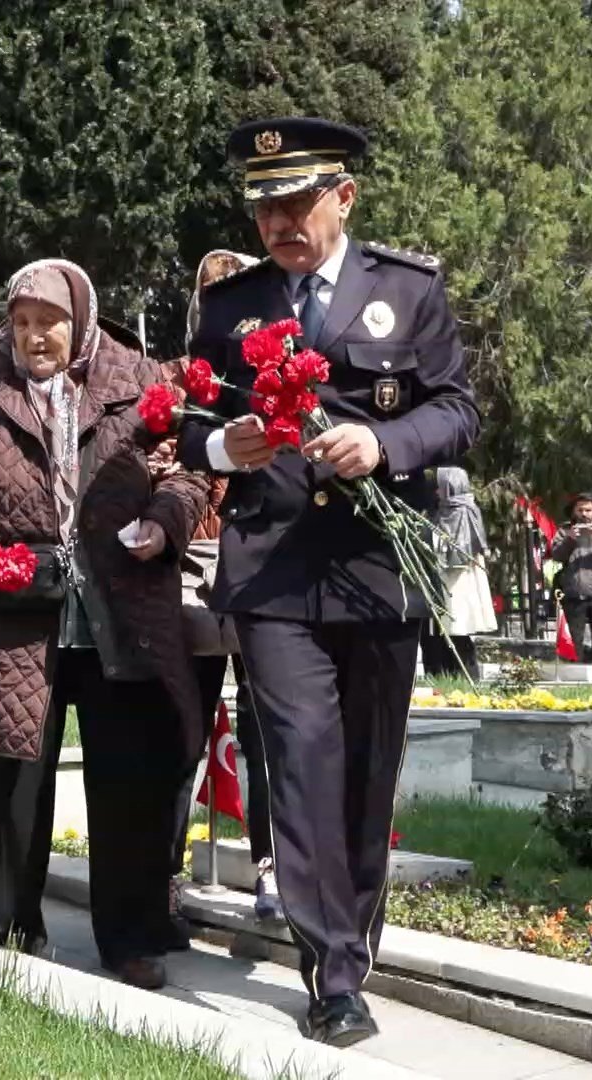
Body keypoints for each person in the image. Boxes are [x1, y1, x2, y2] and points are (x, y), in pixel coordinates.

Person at [176, 118, 478, 1043]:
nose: (279, 220)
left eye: (296, 200)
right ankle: (332, 974)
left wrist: (384, 445)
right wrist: (228, 444)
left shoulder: (408, 290)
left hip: (375, 573)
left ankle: (356, 935)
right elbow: (189, 427)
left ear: (343, 197)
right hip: (270, 574)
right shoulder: (231, 308)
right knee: (303, 764)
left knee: (366, 771)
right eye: (263, 204)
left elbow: (458, 412)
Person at [0, 258, 209, 990]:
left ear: (82, 322)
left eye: (51, 323)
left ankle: (130, 936)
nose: (35, 338)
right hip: (14, 602)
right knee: (10, 770)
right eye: (22, 323)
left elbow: (190, 472)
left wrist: (167, 524)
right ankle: (10, 923)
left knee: (127, 774)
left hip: (121, 597)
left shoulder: (137, 380)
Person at [159, 248, 280, 925]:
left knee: (264, 728)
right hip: (192, 557)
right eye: (210, 294)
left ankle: (271, 869)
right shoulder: (181, 378)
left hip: (258, 560)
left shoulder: (274, 377)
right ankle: (166, 872)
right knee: (185, 727)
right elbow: (163, 454)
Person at [422, 465, 495, 681]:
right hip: (439, 577)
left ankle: (465, 676)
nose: (436, 491)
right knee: (436, 631)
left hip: (458, 578)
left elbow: (462, 547)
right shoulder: (439, 511)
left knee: (457, 628)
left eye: (440, 486)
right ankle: (438, 675)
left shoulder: (464, 511)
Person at [551, 494, 592, 664]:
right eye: (580, 510)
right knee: (574, 641)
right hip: (574, 594)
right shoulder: (565, 531)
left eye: (588, 510)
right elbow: (556, 555)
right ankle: (576, 675)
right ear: (574, 511)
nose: (584, 514)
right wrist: (570, 540)